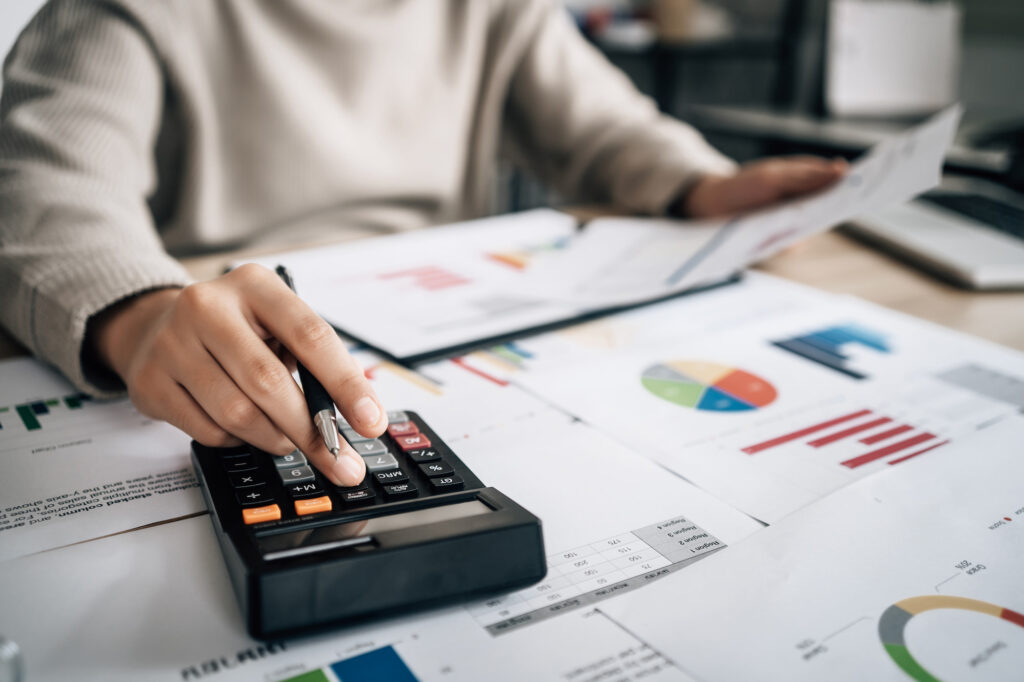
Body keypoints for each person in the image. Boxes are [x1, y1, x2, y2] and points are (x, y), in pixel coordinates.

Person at [0, 0, 845, 487]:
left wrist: (702, 184)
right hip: (219, 335)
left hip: (453, 322)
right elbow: (49, 188)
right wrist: (137, 314)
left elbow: (604, 128)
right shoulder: (120, 12)